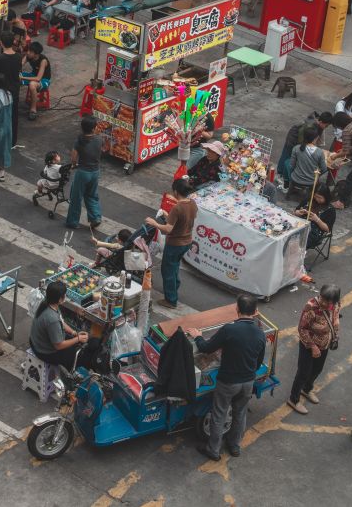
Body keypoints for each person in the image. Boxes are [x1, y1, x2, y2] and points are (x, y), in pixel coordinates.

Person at [185, 293, 267, 461]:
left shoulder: (230, 329)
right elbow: (258, 362)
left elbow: (206, 348)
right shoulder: (260, 333)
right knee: (240, 413)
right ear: (255, 311)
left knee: (219, 414)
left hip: (228, 382)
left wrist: (197, 336)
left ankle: (213, 450)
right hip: (247, 382)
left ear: (237, 309)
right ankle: (234, 446)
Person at [287, 285, 341, 415]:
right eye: (322, 299)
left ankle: (306, 389)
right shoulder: (311, 307)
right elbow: (302, 328)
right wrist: (313, 346)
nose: (324, 303)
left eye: (328, 301)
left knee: (317, 369)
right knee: (303, 372)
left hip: (325, 345)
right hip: (309, 345)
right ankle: (294, 399)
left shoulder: (336, 305)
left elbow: (335, 317)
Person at [146, 178, 197, 309]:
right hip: (187, 241)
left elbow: (168, 229)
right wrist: (166, 215)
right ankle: (174, 285)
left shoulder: (178, 207)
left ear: (175, 191)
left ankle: (171, 300)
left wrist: (155, 223)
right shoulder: (192, 204)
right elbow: (181, 221)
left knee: (167, 270)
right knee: (174, 267)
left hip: (175, 243)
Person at [29, 280, 93, 370]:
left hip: (36, 342)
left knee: (76, 343)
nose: (66, 297)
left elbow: (61, 322)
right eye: (65, 295)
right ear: (59, 299)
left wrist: (74, 333)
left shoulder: (47, 303)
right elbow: (58, 345)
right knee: (81, 357)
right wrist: (77, 339)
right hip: (44, 351)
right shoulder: (52, 319)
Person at [66, 116, 104, 231]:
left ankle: (73, 222)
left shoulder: (79, 141)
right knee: (92, 195)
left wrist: (74, 165)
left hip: (83, 172)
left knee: (76, 197)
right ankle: (95, 217)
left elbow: (73, 156)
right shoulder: (99, 139)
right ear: (93, 129)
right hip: (95, 172)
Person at [0, 33, 24, 144]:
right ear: (13, 42)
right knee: (13, 116)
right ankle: (12, 141)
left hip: (1, 92)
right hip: (14, 90)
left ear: (2, 44)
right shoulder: (19, 57)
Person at [288, 126, 329, 197]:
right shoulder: (319, 152)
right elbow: (324, 169)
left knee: (287, 163)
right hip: (311, 181)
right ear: (315, 138)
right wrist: (317, 175)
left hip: (295, 178)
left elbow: (291, 165)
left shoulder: (296, 148)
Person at [21, 41, 52, 120]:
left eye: (30, 52)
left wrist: (22, 78)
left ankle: (33, 110)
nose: (28, 52)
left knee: (32, 84)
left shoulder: (43, 61)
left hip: (44, 80)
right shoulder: (28, 56)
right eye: (28, 50)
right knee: (15, 75)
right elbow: (20, 65)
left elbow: (38, 78)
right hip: (33, 76)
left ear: (36, 54)